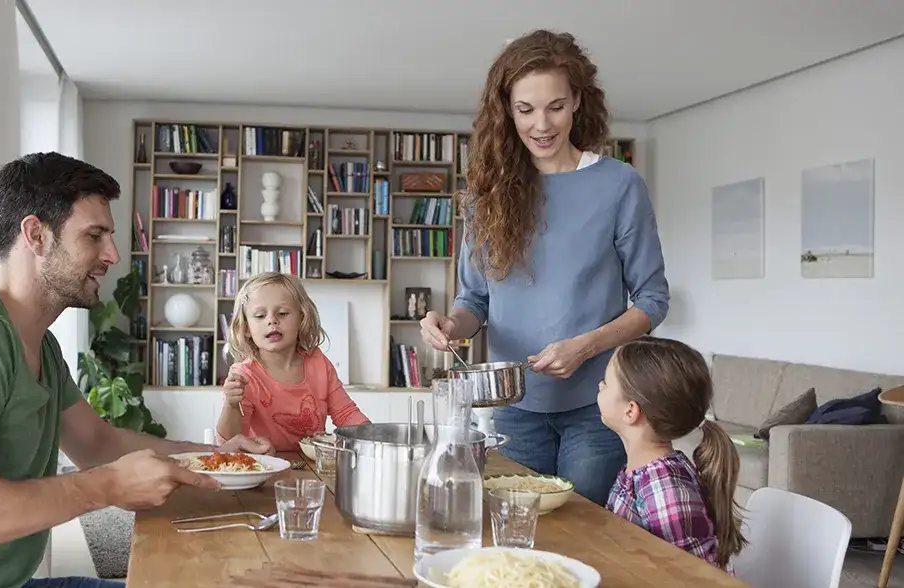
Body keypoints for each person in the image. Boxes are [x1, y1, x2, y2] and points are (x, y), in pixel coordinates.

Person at [0, 152, 274, 588]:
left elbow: (98, 442)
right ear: (36, 235)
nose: (113, 254)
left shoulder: (38, 345)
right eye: (94, 235)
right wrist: (106, 487)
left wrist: (220, 459)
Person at [419, 29, 669, 506]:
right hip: (515, 407)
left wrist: (585, 345)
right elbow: (475, 300)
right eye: (525, 109)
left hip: (599, 406)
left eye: (555, 106)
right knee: (519, 536)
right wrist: (452, 324)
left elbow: (653, 301)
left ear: (577, 100)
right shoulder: (486, 196)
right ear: (507, 111)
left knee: (589, 538)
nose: (542, 124)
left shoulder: (619, 185)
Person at [598, 336, 747, 572]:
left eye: (605, 383)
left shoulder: (662, 488)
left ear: (630, 411)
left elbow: (693, 579)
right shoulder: (643, 471)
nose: (600, 386)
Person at [216, 272, 370, 451]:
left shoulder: (318, 363)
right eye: (260, 316)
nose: (272, 320)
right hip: (263, 467)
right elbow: (230, 443)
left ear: (301, 318)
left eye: (282, 313)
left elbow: (346, 414)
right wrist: (231, 404)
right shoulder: (245, 375)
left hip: (311, 469)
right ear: (246, 328)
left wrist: (372, 437)